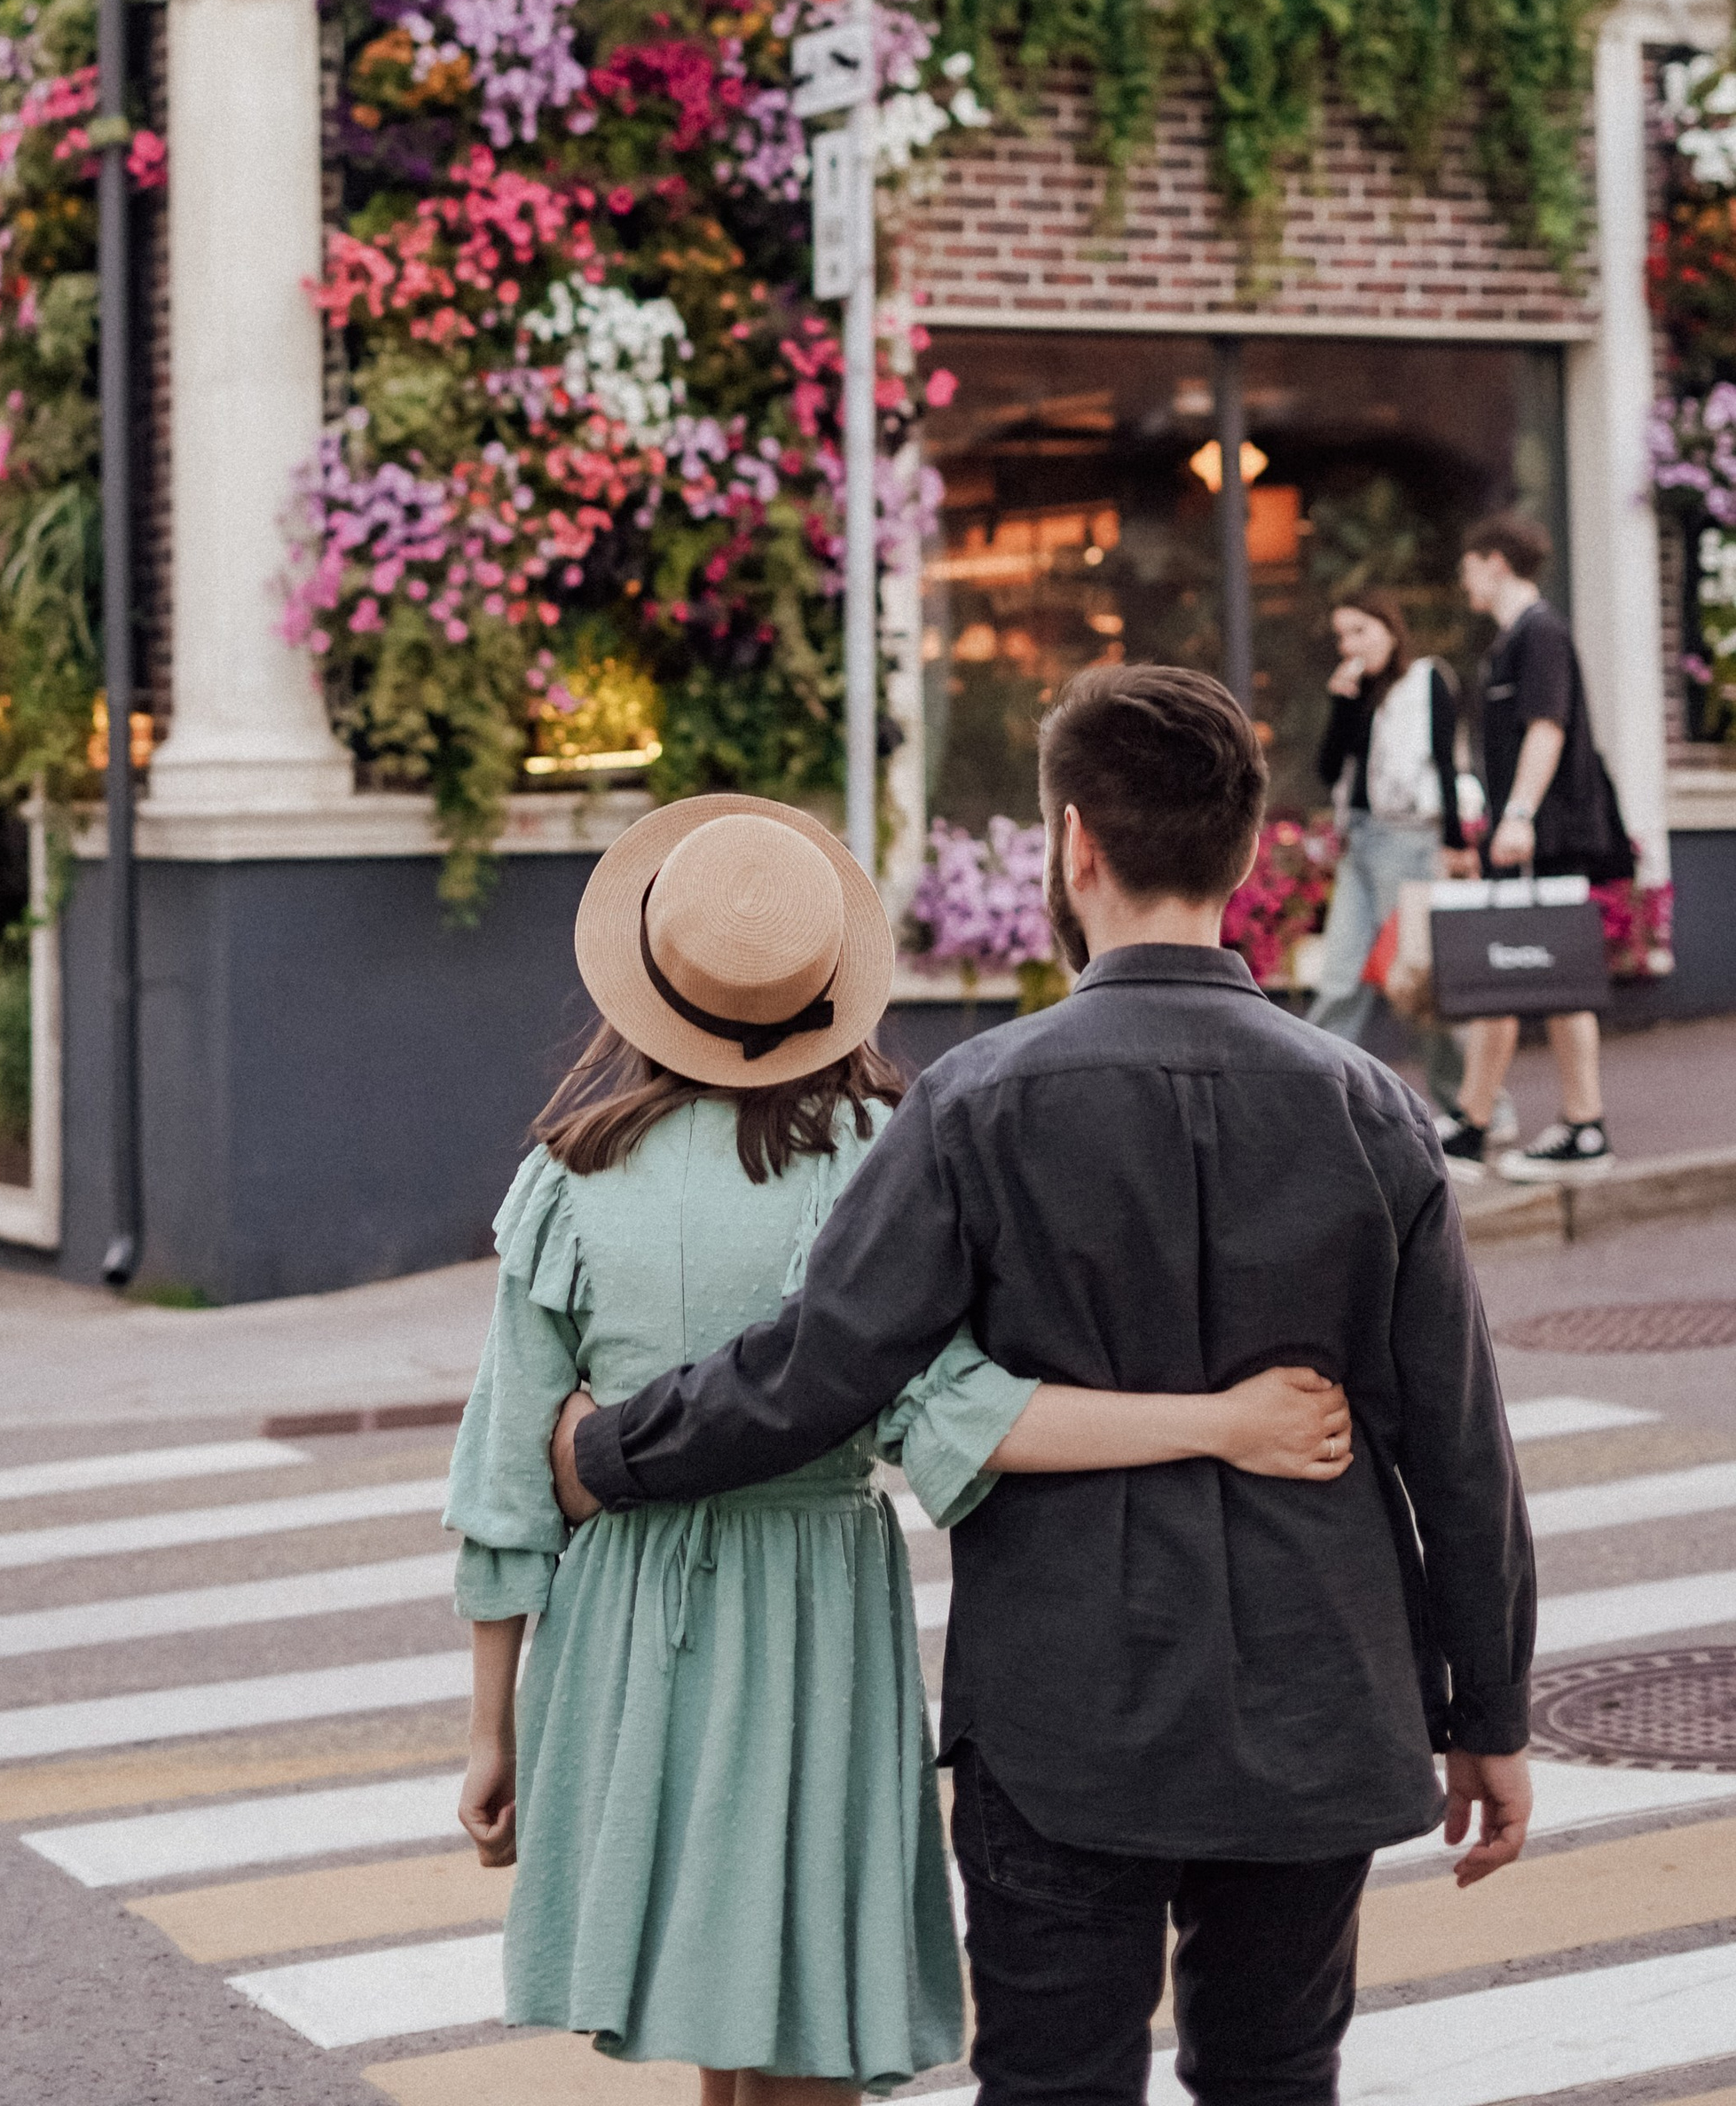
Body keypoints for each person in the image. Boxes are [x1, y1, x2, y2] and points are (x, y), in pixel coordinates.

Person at [556, 672, 1536, 2106]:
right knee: (1277, 2077)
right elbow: (1458, 1444)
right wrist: (1490, 1712)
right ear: (1251, 852)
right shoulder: (1366, 1107)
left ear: (1072, 847)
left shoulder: (981, 1102)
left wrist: (608, 1455)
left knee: (1053, 2085)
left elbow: (814, 1369)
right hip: (1323, 1702)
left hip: (1067, 1715)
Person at [446, 790, 1356, 2102]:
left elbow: (507, 1471)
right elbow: (958, 1415)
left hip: (627, 1622)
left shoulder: (569, 1174)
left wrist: (492, 1728)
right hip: (812, 1610)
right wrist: (1222, 1422)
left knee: (720, 2011)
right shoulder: (882, 1152)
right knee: (800, 2004)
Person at [1440, 510, 1633, 1187]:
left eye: (1468, 566)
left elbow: (1546, 727)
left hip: (1545, 832)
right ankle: (1477, 1120)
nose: (1464, 580)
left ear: (1494, 562)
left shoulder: (1540, 634)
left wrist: (1517, 814)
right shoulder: (1514, 640)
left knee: (1556, 977)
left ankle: (1580, 1125)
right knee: (1520, 971)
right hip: (1525, 833)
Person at [1308, 586, 1472, 1120]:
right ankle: (1311, 1102)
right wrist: (1341, 704)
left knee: (1417, 984)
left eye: (1360, 630)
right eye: (1342, 635)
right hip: (1359, 844)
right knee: (1339, 980)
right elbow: (1329, 770)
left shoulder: (1427, 680)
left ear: (1390, 628)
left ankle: (1472, 1104)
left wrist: (1454, 844)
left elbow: (1447, 764)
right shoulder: (1356, 692)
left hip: (1410, 843)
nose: (1350, 644)